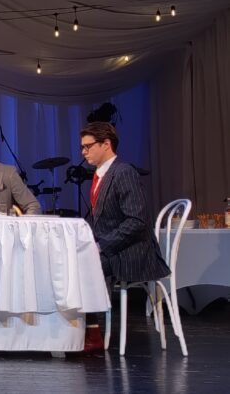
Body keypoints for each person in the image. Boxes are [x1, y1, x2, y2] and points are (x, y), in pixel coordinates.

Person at [79, 121, 169, 353]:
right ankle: (79, 328)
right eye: (82, 147)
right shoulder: (100, 175)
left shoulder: (124, 172)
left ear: (106, 144)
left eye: (88, 146)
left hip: (134, 252)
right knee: (75, 257)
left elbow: (137, 221)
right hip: (116, 247)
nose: (83, 152)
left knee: (86, 263)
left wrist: (101, 245)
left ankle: (92, 332)